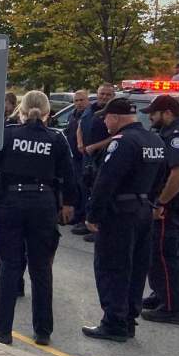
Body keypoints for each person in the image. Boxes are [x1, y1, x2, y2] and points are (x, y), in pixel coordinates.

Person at [0, 91, 77, 346]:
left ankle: (2, 328)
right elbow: (70, 175)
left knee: (9, 266)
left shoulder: (8, 134)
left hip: (10, 203)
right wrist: (67, 204)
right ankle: (43, 330)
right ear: (48, 113)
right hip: (44, 204)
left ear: (20, 111)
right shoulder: (57, 138)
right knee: (41, 268)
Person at [81, 98, 166, 342]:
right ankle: (128, 318)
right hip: (143, 209)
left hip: (119, 212)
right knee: (136, 267)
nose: (105, 123)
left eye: (106, 118)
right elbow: (161, 176)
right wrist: (152, 202)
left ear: (116, 117)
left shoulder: (122, 142)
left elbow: (106, 181)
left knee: (112, 266)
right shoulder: (154, 140)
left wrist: (93, 215)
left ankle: (114, 322)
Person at [137, 95, 179, 325]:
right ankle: (160, 294)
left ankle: (172, 308)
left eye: (154, 113)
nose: (151, 117)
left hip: (171, 206)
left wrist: (162, 202)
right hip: (166, 204)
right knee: (156, 253)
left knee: (165, 256)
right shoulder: (168, 133)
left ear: (167, 113)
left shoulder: (177, 137)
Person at [74, 83, 117, 240]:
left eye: (108, 94)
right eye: (101, 94)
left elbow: (117, 136)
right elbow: (80, 125)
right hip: (87, 156)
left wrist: (95, 146)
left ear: (113, 96)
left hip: (103, 156)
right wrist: (80, 142)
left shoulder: (114, 112)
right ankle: (87, 221)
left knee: (99, 191)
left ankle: (97, 227)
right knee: (86, 187)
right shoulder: (90, 108)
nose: (104, 97)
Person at [63, 90, 90, 225]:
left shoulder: (90, 116)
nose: (79, 103)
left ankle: (83, 217)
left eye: (82, 100)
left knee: (84, 188)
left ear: (88, 100)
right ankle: (77, 215)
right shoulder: (72, 115)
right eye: (76, 101)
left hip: (85, 157)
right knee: (76, 187)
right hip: (73, 157)